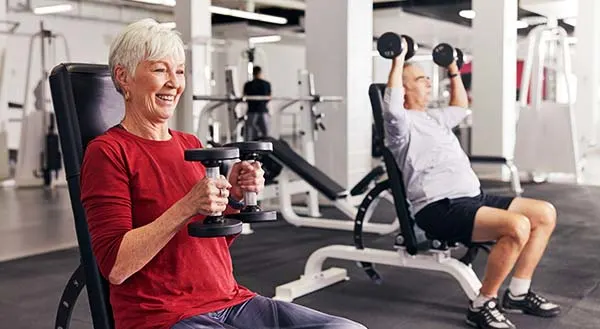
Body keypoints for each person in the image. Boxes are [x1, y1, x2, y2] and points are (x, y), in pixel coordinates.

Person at [80, 18, 367, 329]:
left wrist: (233, 199)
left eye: (179, 71)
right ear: (123, 76)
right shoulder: (108, 151)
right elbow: (116, 266)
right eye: (160, 70)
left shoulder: (189, 144)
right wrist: (187, 205)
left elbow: (208, 243)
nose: (174, 83)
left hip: (231, 301)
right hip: (163, 316)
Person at [382, 38, 561, 329]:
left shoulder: (434, 118)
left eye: (428, 77)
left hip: (472, 198)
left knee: (544, 213)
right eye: (419, 78)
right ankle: (481, 304)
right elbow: (390, 106)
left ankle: (518, 293)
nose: (428, 82)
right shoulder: (400, 127)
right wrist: (398, 59)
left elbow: (461, 106)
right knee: (517, 226)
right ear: (403, 89)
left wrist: (452, 67)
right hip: (440, 208)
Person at [242, 66, 272, 140]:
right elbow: (269, 97)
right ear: (260, 73)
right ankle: (266, 150)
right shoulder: (266, 84)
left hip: (251, 111)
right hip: (263, 111)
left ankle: (248, 150)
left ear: (253, 73)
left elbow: (244, 97)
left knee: (250, 135)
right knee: (266, 135)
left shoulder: (248, 85)